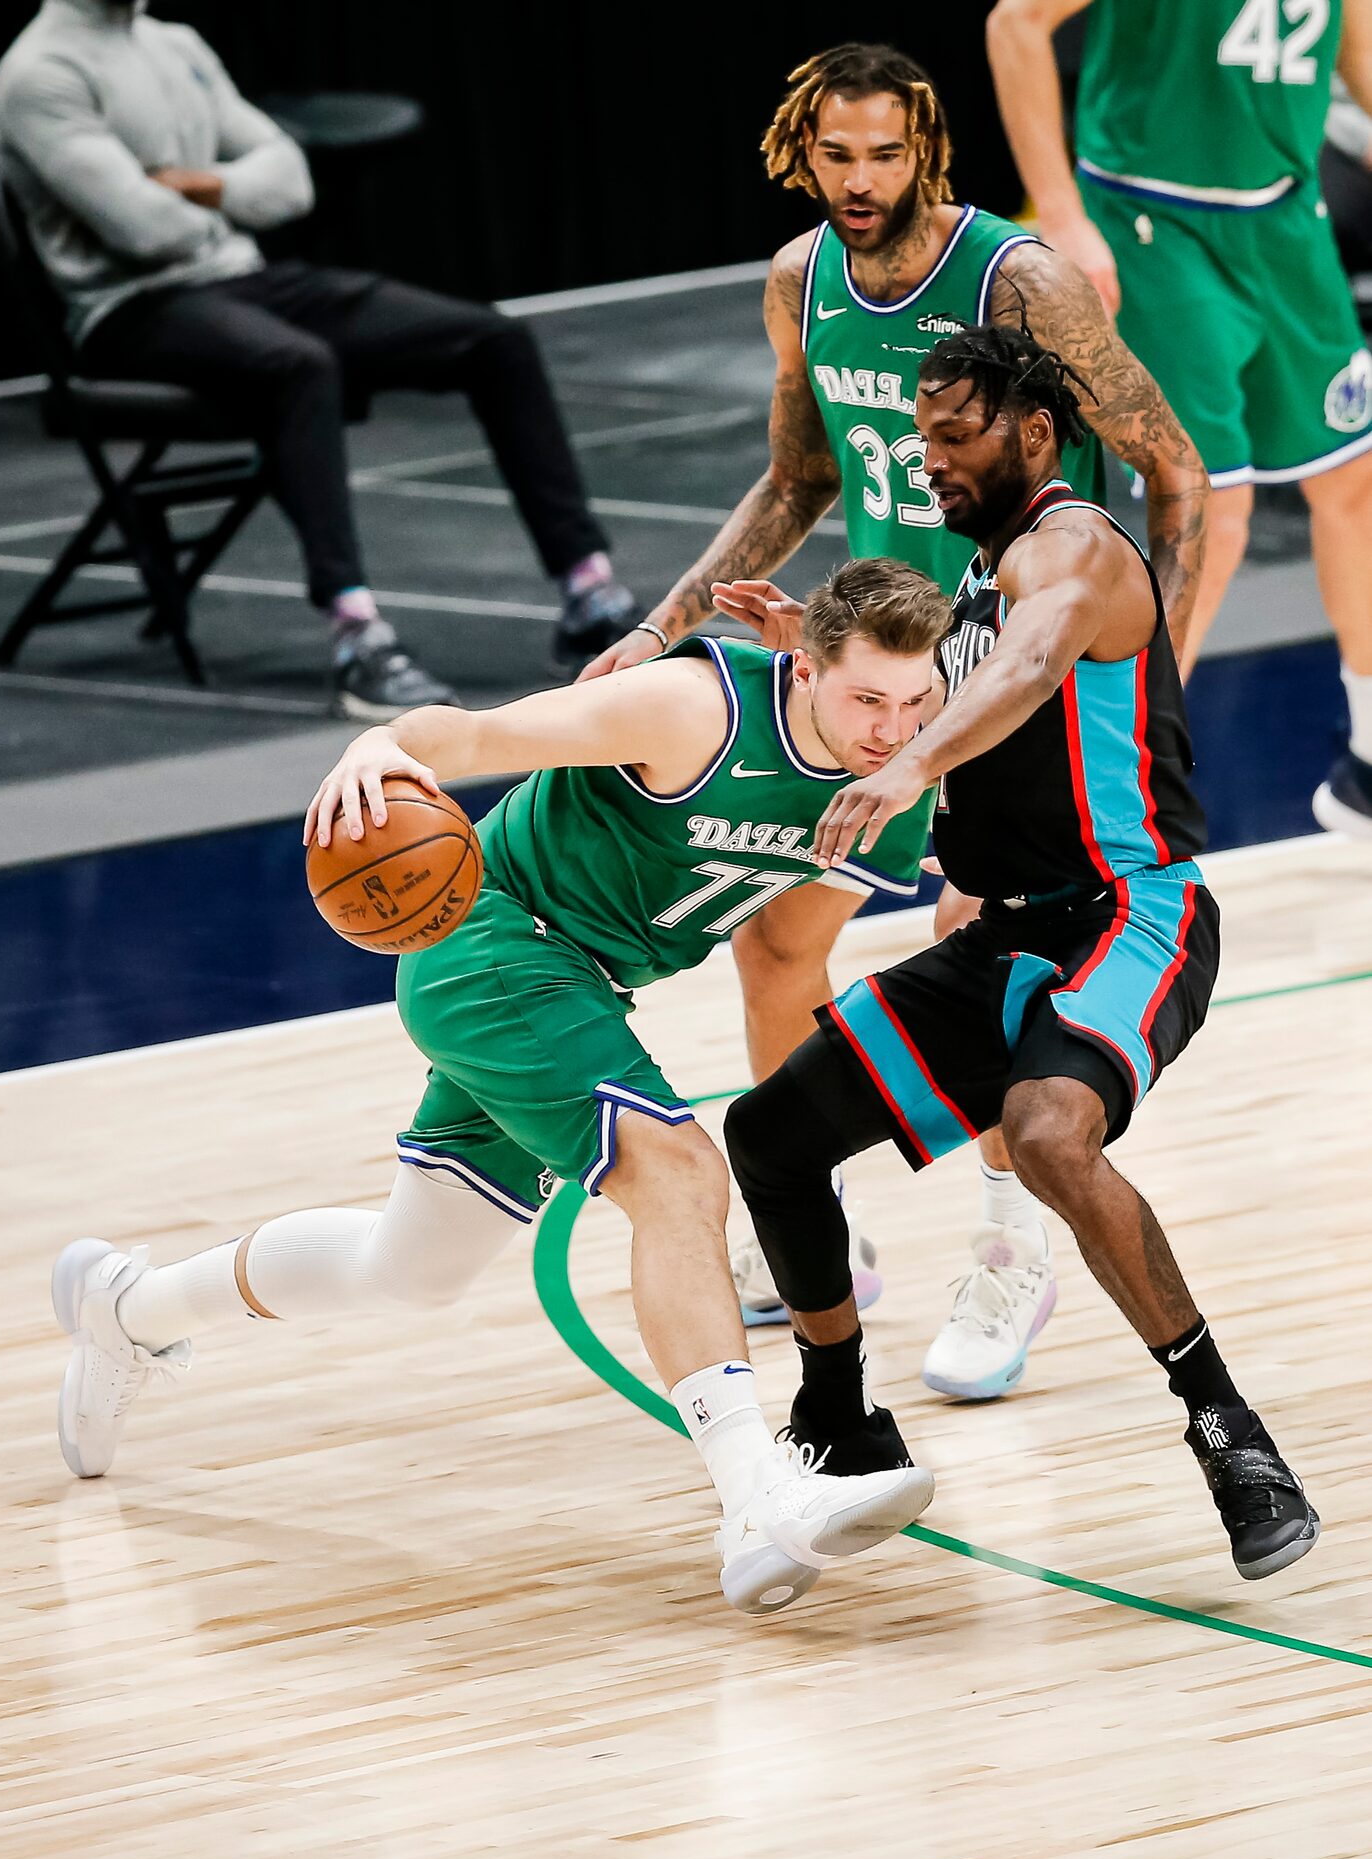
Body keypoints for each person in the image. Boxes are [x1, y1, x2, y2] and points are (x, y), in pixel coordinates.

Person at [50, 558, 948, 1617]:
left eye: (918, 702)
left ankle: (128, 1308)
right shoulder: (689, 707)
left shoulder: (894, 788)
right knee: (677, 1174)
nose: (893, 728)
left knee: (410, 1268)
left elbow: (788, 955)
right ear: (802, 667)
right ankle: (755, 1494)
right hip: (492, 940)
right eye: (868, 700)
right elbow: (469, 737)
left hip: (580, 989)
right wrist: (377, 746)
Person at [583, 41, 1207, 1402]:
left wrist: (1162, 662)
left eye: (883, 154)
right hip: (874, 676)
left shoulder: (1015, 279)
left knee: (989, 956)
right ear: (799, 153)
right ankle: (824, 1244)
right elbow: (799, 476)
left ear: (924, 146)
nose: (859, 182)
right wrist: (658, 626)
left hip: (1007, 679)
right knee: (773, 946)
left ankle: (1011, 1248)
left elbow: (1173, 463)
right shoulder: (802, 278)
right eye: (834, 156)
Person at [723, 323, 1319, 1583]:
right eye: (921, 435)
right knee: (769, 1135)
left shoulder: (1073, 549)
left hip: (1132, 911)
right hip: (1008, 931)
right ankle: (837, 1413)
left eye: (953, 435)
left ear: (1033, 433)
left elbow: (1036, 661)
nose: (926, 458)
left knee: (1050, 1134)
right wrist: (805, 653)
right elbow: (950, 679)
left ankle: (1231, 1432)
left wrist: (909, 768)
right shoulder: (984, 578)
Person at [0, 0, 636, 714]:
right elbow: (142, 229)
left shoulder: (172, 42)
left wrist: (197, 183)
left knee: (494, 340)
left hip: (246, 281)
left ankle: (587, 589)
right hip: (128, 312)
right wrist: (229, 195)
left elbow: (292, 181)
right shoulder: (38, 73)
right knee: (299, 366)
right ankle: (357, 635)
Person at [987, 0, 1372, 838]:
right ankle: (1121, 774)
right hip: (1153, 222)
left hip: (1284, 221)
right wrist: (1061, 216)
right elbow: (1014, 21)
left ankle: (1368, 767)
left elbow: (1358, 54)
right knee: (1210, 512)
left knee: (1355, 483)